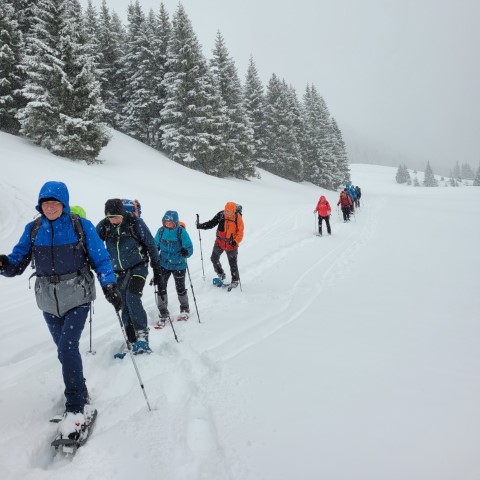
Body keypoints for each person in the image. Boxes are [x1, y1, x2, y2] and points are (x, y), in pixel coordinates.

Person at [0, 181, 121, 440]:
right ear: (40, 205)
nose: (51, 208)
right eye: (46, 203)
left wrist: (109, 283)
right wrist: (3, 263)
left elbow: (101, 258)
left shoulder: (81, 226)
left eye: (55, 203)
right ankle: (80, 389)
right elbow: (17, 263)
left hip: (77, 295)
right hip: (47, 299)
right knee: (63, 350)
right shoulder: (33, 229)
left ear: (64, 205)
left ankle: (76, 406)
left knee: (67, 346)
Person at [96, 199, 161, 354]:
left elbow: (151, 244)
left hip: (138, 267)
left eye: (117, 217)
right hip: (118, 271)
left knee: (132, 297)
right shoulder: (104, 226)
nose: (114, 221)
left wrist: (157, 268)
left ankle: (142, 335)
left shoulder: (135, 223)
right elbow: (95, 247)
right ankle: (131, 338)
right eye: (111, 217)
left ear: (123, 213)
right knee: (123, 302)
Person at [154, 211, 193, 324]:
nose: (168, 224)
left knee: (180, 288)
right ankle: (163, 312)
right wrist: (154, 254)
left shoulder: (181, 232)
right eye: (166, 222)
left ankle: (185, 308)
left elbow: (190, 247)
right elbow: (155, 245)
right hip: (163, 264)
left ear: (175, 222)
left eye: (170, 222)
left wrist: (186, 251)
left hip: (179, 264)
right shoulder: (161, 231)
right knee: (161, 288)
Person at [196, 202, 244, 287]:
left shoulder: (238, 217)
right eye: (226, 211)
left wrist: (235, 241)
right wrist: (201, 226)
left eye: (230, 212)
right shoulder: (221, 214)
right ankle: (221, 273)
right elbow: (212, 223)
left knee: (233, 264)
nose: (228, 213)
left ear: (234, 211)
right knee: (214, 258)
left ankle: (235, 280)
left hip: (231, 244)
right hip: (219, 242)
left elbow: (240, 232)